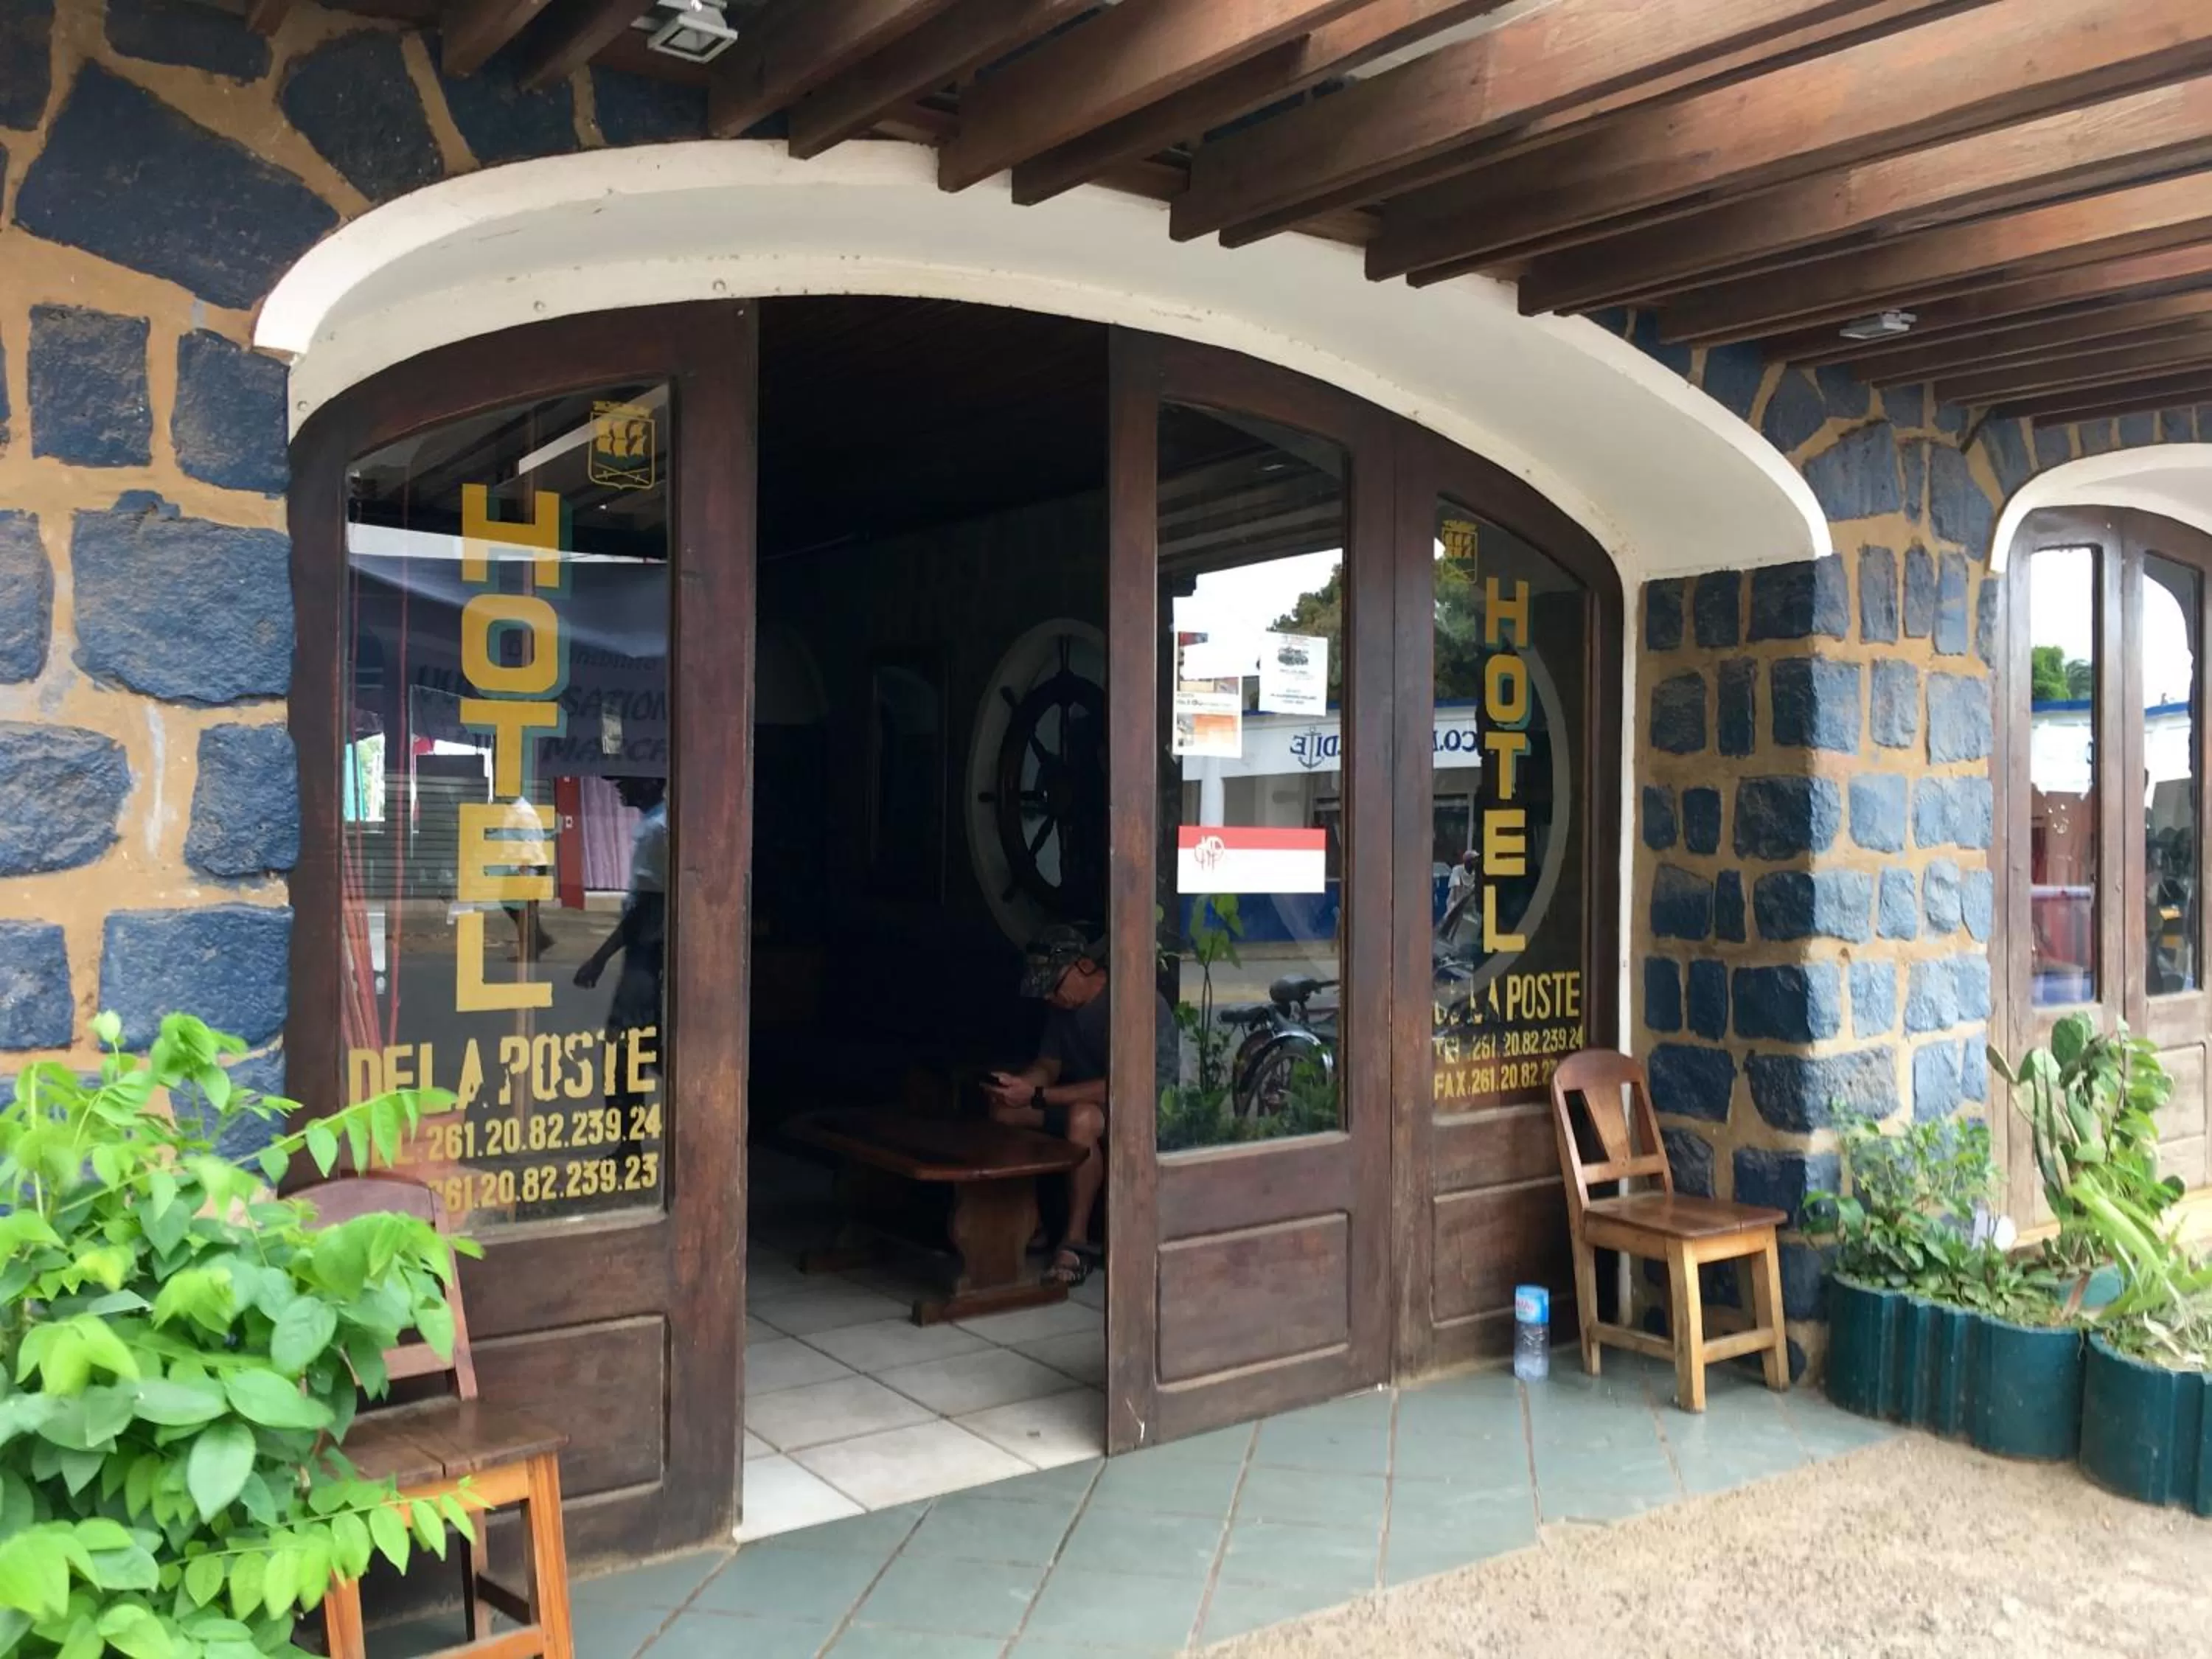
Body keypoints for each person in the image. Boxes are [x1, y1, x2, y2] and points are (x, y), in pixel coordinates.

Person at [981, 925, 1173, 1289]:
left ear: (1084, 966)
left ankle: (1076, 1241)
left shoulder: (1134, 1003)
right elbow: (1048, 1067)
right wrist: (1020, 1085)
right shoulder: (1063, 1012)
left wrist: (1039, 1097)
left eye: (1056, 985)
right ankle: (1030, 1222)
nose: (1052, 996)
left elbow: (1124, 1087)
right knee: (1004, 1114)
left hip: (1139, 1112)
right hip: (1077, 1102)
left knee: (1083, 1119)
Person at [574, 776, 669, 1135]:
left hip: (646, 954)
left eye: (625, 779)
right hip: (647, 952)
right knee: (644, 1049)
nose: (617, 786)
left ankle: (628, 1142)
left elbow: (646, 909)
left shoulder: (657, 831)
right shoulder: (653, 824)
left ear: (650, 783)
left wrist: (598, 958)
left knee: (624, 1050)